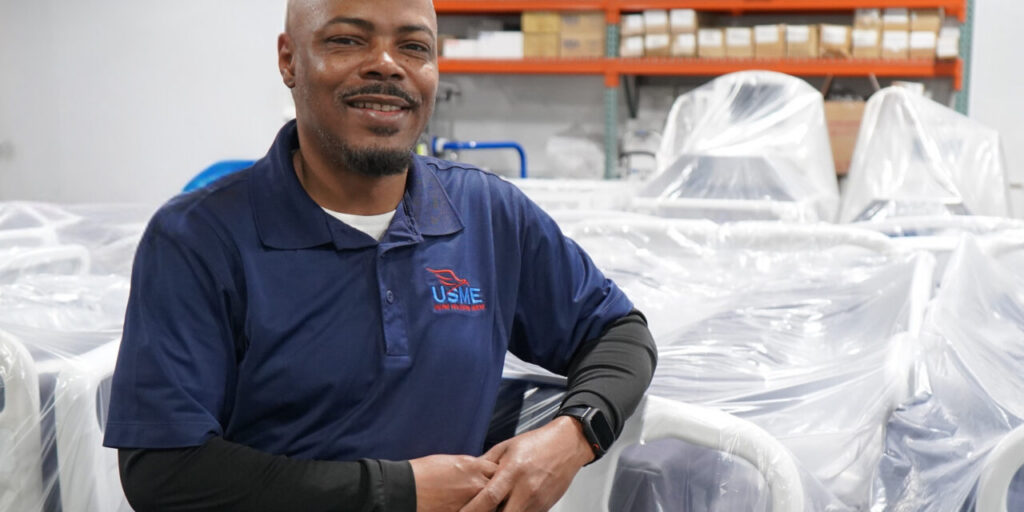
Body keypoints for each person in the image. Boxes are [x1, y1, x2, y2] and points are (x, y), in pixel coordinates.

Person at [102, 0, 657, 510]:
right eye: (348, 41)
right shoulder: (199, 239)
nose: (387, 65)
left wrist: (573, 435)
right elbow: (164, 471)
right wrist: (397, 491)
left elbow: (619, 334)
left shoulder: (486, 215)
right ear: (289, 60)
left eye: (414, 47)